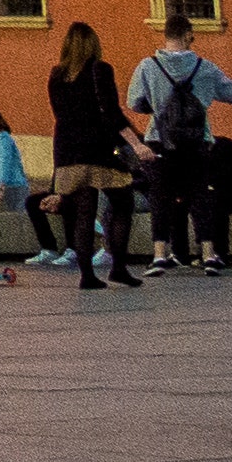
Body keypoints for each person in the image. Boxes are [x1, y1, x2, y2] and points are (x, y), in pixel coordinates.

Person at [126, 16, 232, 276]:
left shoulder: (147, 67)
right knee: (199, 195)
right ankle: (209, 254)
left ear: (167, 35)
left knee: (160, 197)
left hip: (159, 141)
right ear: (187, 35)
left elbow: (134, 103)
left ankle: (160, 255)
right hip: (197, 143)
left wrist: (159, 107)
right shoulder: (204, 67)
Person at [41, 22, 143, 292]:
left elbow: (60, 114)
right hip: (98, 148)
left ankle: (87, 275)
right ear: (93, 44)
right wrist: (137, 143)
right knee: (122, 204)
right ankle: (118, 266)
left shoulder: (56, 75)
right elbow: (111, 112)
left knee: (83, 213)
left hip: (67, 150)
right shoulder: (100, 70)